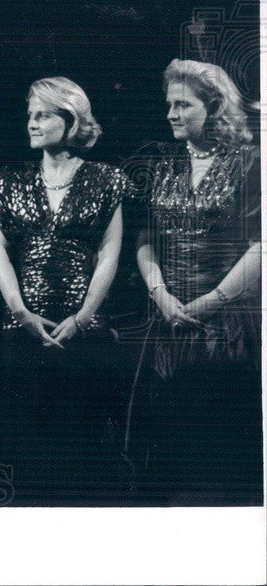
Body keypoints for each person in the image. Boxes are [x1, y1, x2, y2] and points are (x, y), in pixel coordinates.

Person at [0, 76, 128, 504]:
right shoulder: (8, 178)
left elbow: (109, 253)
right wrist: (20, 312)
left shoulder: (106, 178)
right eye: (30, 115)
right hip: (22, 331)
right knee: (26, 452)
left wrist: (83, 316)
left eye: (43, 115)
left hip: (84, 331)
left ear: (70, 121)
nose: (31, 123)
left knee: (85, 451)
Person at [133, 59, 260, 504]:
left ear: (215, 106)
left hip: (227, 325)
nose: (171, 113)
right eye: (169, 104)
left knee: (219, 453)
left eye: (183, 105)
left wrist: (210, 301)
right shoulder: (163, 162)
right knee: (170, 454)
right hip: (167, 323)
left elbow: (261, 246)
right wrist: (159, 293)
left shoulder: (251, 162)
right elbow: (145, 239)